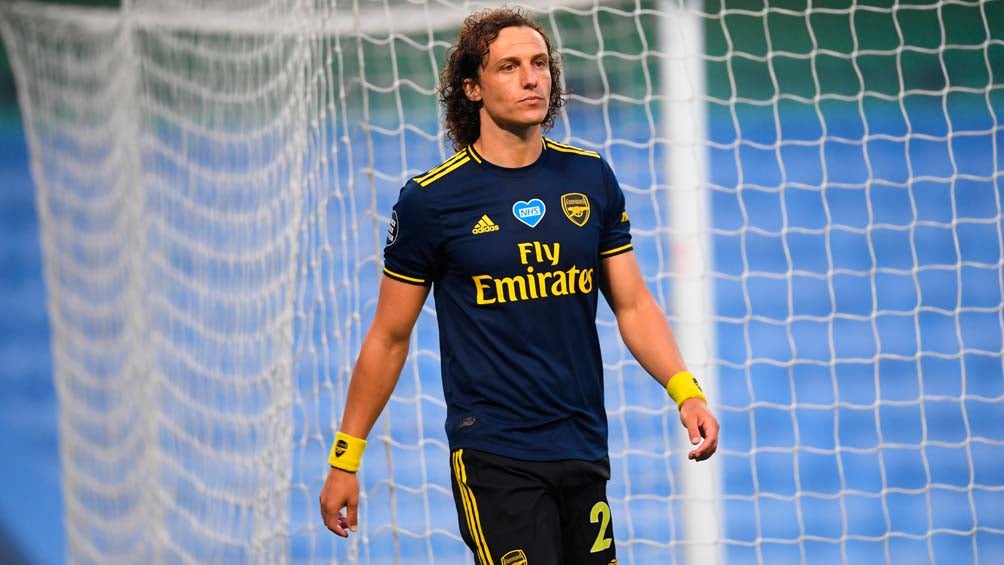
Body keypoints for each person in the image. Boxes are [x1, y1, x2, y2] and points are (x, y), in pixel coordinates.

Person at [319, 7, 720, 564]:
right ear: (472, 87)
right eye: (509, 66)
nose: (531, 78)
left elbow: (632, 304)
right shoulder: (431, 201)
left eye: (539, 63)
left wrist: (686, 391)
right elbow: (389, 337)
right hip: (495, 454)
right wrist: (346, 457)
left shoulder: (589, 177)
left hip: (582, 443)